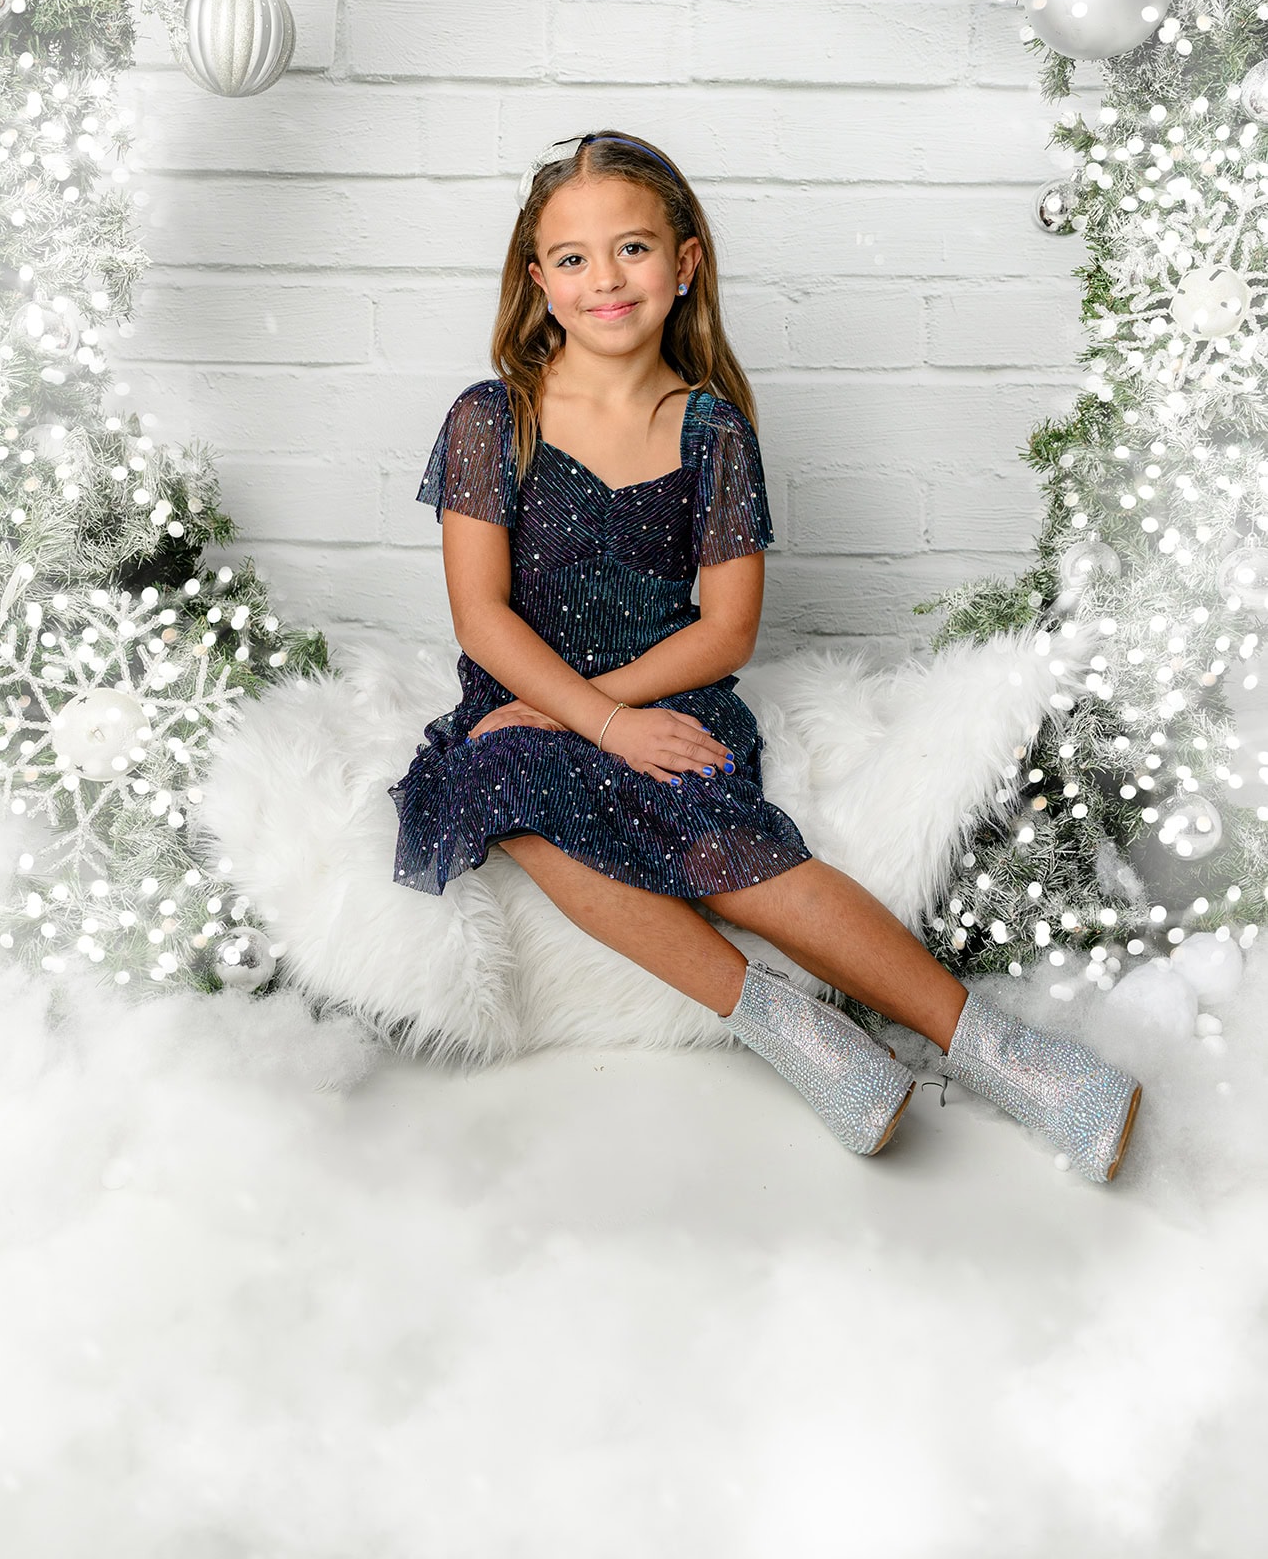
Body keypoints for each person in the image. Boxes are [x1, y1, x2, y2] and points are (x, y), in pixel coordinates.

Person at [389, 130, 1143, 1183]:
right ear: (538, 281)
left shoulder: (710, 430)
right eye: (573, 258)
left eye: (633, 249)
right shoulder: (492, 419)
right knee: (496, 778)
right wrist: (584, 718)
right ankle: (795, 1029)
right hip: (526, 695)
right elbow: (481, 615)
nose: (604, 278)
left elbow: (726, 629)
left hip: (670, 692)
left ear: (685, 262)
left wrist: (620, 714)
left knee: (728, 849)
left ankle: (1015, 1057)